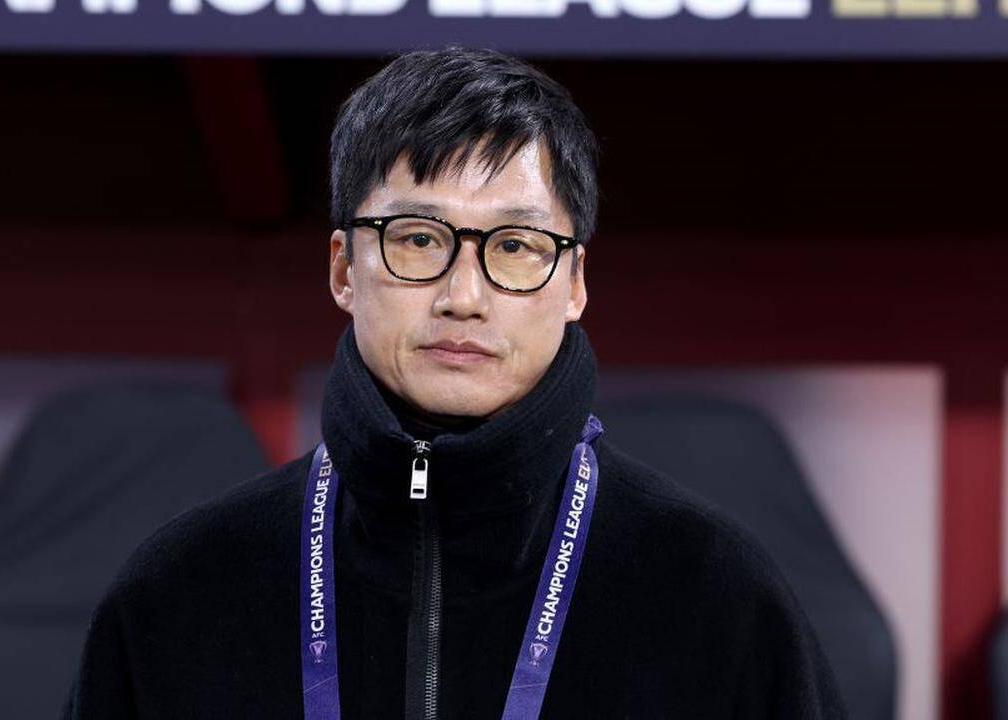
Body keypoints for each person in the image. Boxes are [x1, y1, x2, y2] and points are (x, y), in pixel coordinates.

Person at [64, 46, 846, 719]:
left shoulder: (714, 595)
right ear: (343, 268)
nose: (462, 296)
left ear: (575, 282)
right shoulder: (183, 590)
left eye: (514, 245)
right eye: (417, 238)